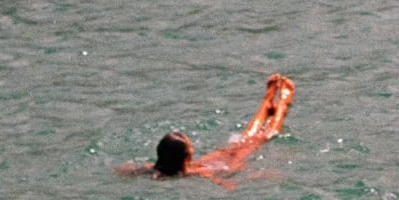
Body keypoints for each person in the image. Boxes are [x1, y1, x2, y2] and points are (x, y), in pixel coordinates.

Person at [115, 72, 294, 182]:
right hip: (226, 166)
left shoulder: (153, 169)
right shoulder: (191, 174)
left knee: (242, 141)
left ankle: (266, 106)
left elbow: (126, 169)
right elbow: (217, 180)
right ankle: (282, 106)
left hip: (210, 163)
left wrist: (130, 171)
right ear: (185, 159)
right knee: (257, 139)